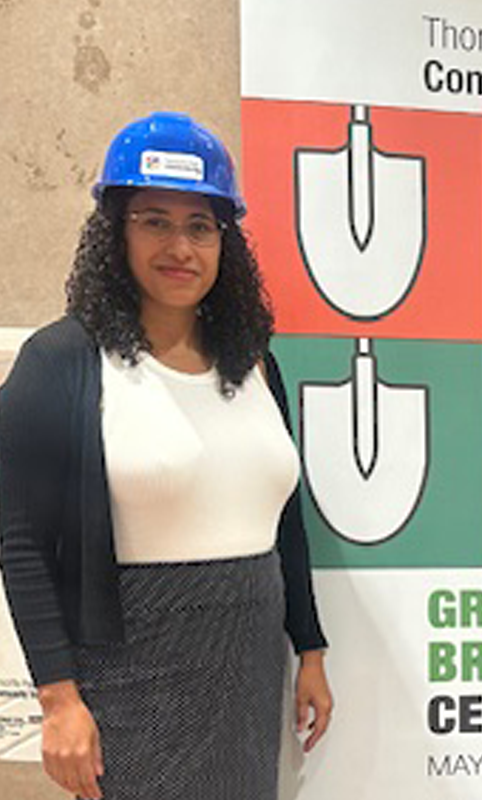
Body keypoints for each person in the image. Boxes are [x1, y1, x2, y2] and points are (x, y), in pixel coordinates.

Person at [0, 112, 332, 800]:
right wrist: (58, 699)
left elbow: (286, 522)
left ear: (224, 242)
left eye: (200, 226)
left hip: (248, 662)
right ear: (115, 231)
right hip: (130, 673)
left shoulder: (255, 364)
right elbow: (19, 538)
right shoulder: (61, 361)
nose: (180, 246)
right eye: (154, 221)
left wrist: (310, 648)